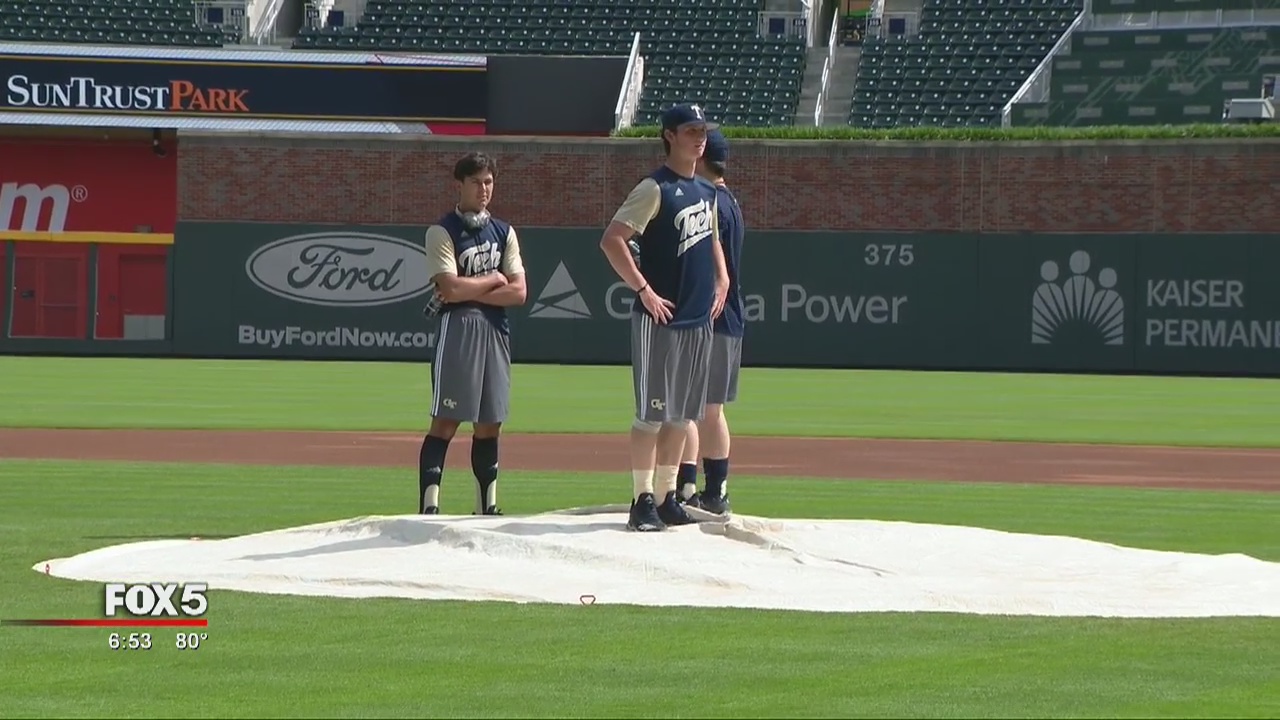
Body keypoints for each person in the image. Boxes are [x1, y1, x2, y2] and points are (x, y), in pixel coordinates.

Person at [598, 103, 730, 532]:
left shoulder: (707, 191)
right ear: (670, 135)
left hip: (697, 319)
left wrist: (723, 278)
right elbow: (613, 240)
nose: (699, 137)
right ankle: (641, 500)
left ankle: (668, 496)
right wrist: (643, 289)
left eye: (702, 131)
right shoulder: (655, 187)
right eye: (690, 130)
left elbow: (710, 239)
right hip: (660, 320)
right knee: (652, 415)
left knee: (681, 416)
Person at [418, 152, 527, 516]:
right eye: (477, 182)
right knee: (446, 421)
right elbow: (449, 290)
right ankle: (429, 506)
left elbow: (520, 292)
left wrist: (474, 286)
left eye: (489, 182)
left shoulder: (504, 232)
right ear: (460, 184)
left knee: (489, 423)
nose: (484, 190)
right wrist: (494, 278)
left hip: (496, 329)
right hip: (459, 328)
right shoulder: (442, 230)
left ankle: (487, 507)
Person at [679, 129, 744, 516]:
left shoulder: (709, 202)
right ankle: (698, 488)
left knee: (701, 409)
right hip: (728, 316)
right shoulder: (729, 200)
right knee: (699, 407)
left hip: (713, 317)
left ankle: (708, 492)